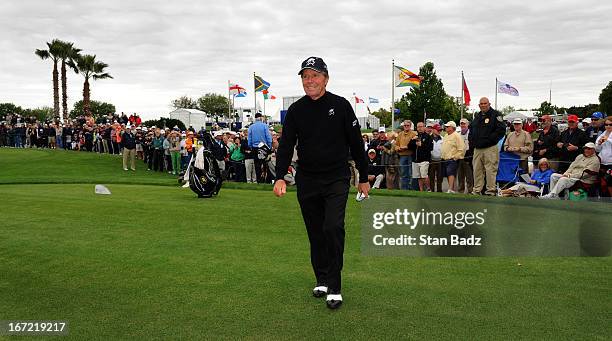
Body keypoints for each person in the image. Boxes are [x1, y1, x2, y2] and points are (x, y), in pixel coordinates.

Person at [273, 56, 369, 310]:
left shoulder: (341, 105)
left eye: (315, 75)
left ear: (326, 78)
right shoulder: (296, 110)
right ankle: (322, 279)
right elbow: (286, 145)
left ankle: (335, 286)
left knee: (333, 227)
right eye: (306, 76)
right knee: (316, 232)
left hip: (336, 177)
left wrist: (364, 177)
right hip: (308, 179)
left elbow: (356, 143)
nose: (310, 80)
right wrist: (280, 175)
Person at [469, 97, 506, 195]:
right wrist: (472, 142)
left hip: (490, 147)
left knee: (490, 170)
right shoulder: (477, 116)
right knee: (477, 170)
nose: (483, 105)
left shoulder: (496, 115)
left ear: (489, 104)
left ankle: (490, 190)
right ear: (479, 105)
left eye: (485, 103)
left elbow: (501, 130)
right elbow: (471, 130)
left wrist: (489, 140)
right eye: (481, 103)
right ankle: (477, 190)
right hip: (477, 149)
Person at [441, 121, 465, 193]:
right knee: (448, 174)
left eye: (448, 126)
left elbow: (461, 148)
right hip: (445, 158)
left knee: (451, 173)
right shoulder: (445, 135)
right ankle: (451, 189)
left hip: (452, 158)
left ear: (452, 128)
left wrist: (455, 157)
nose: (446, 128)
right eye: (446, 126)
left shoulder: (456, 135)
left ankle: (450, 188)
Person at [248, 112, 272, 183]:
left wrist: (250, 146)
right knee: (264, 164)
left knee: (257, 165)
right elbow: (268, 137)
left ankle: (258, 179)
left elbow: (249, 139)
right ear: (261, 117)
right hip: (263, 147)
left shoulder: (251, 127)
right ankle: (264, 179)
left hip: (255, 147)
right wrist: (269, 147)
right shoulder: (264, 126)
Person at [409, 122, 433, 191]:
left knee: (424, 176)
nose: (419, 128)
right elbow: (409, 146)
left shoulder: (428, 136)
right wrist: (412, 140)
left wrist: (421, 144)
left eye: (421, 126)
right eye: (418, 127)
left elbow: (430, 148)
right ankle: (421, 190)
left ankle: (428, 189)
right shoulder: (415, 136)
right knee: (418, 176)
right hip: (415, 160)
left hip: (424, 160)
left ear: (424, 127)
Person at [396, 120, 417, 190]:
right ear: (403, 126)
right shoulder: (400, 134)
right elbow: (396, 145)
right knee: (403, 173)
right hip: (402, 156)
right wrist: (398, 148)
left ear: (410, 126)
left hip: (410, 155)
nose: (406, 127)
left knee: (411, 173)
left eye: (408, 125)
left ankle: (411, 188)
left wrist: (406, 147)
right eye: (405, 125)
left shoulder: (414, 134)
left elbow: (414, 145)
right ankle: (404, 189)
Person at [595, 116, 612, 196]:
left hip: (611, 163)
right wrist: (599, 144)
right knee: (602, 182)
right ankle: (603, 199)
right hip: (602, 162)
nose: (608, 126)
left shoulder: (606, 136)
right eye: (606, 124)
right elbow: (597, 149)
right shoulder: (602, 134)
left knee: (610, 182)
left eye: (610, 124)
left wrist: (607, 139)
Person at [457, 118, 474, 194]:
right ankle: (461, 191)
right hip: (460, 157)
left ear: (467, 124)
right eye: (461, 123)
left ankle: (470, 191)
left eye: (464, 123)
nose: (463, 125)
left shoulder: (471, 133)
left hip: (468, 157)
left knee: (469, 176)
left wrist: (469, 156)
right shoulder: (458, 134)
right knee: (460, 176)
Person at [428, 124, 444, 192]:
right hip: (431, 160)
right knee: (431, 176)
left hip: (440, 160)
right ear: (433, 130)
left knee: (440, 177)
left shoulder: (443, 138)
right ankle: (432, 190)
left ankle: (439, 190)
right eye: (438, 130)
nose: (439, 131)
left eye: (440, 130)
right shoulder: (429, 138)